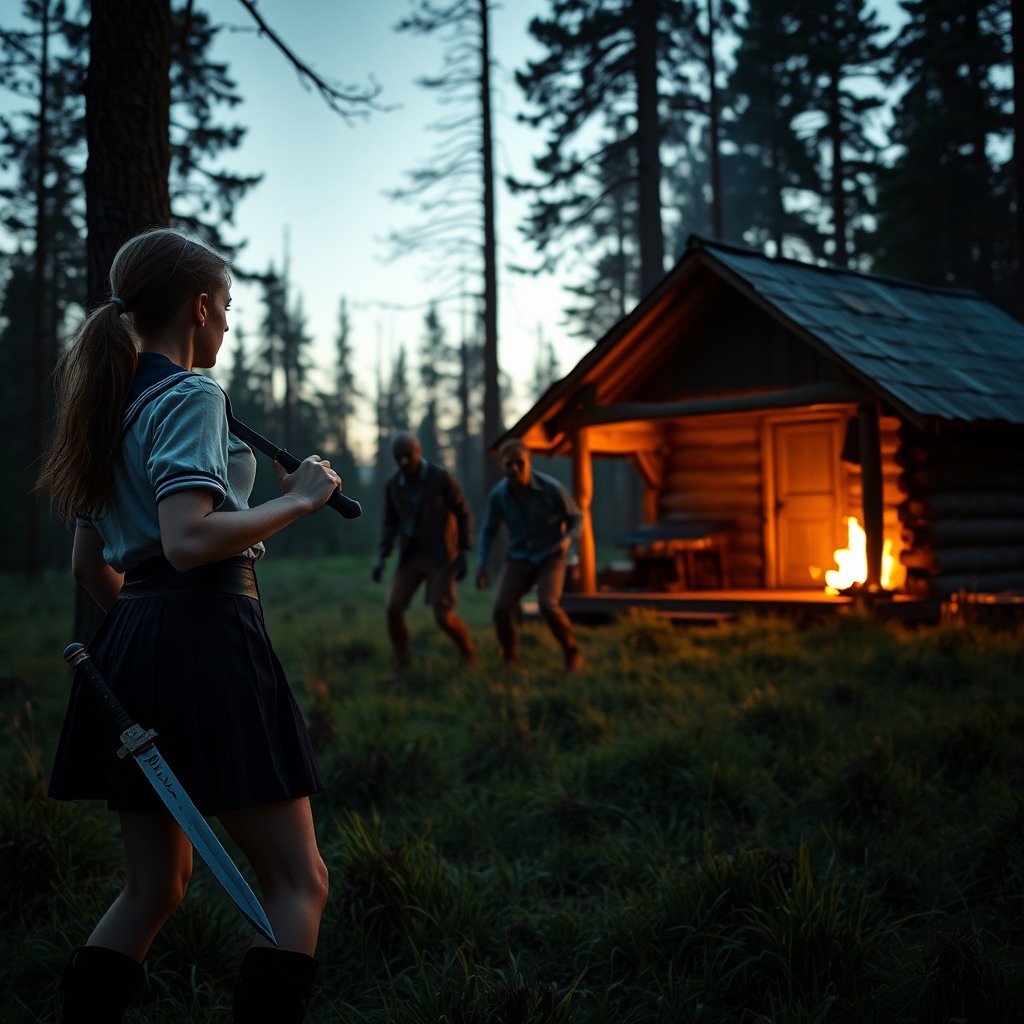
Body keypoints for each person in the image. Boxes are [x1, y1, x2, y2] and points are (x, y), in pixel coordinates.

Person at [37, 229, 338, 1024]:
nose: (229, 325)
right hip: (209, 633)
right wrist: (298, 499)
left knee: (152, 886)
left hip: (131, 639)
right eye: (228, 308)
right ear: (201, 307)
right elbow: (187, 538)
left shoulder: (108, 402)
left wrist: (146, 642)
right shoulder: (192, 396)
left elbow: (87, 566)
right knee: (297, 881)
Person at [476, 438, 585, 673]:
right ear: (502, 467)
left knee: (547, 605)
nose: (515, 469)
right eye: (508, 465)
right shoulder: (499, 496)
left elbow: (576, 517)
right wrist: (482, 563)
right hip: (519, 559)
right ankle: (510, 658)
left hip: (551, 556)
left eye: (519, 463)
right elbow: (488, 530)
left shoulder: (551, 488)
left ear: (528, 462)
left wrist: (566, 542)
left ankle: (572, 653)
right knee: (500, 609)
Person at [373, 432, 477, 673]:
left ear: (418, 452)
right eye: (398, 457)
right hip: (410, 556)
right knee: (393, 608)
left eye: (408, 455)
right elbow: (390, 523)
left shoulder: (440, 479)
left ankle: (468, 651)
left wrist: (463, 551)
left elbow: (463, 514)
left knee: (443, 616)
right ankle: (404, 663)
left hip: (440, 555)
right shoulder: (393, 485)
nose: (404, 462)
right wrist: (382, 557)